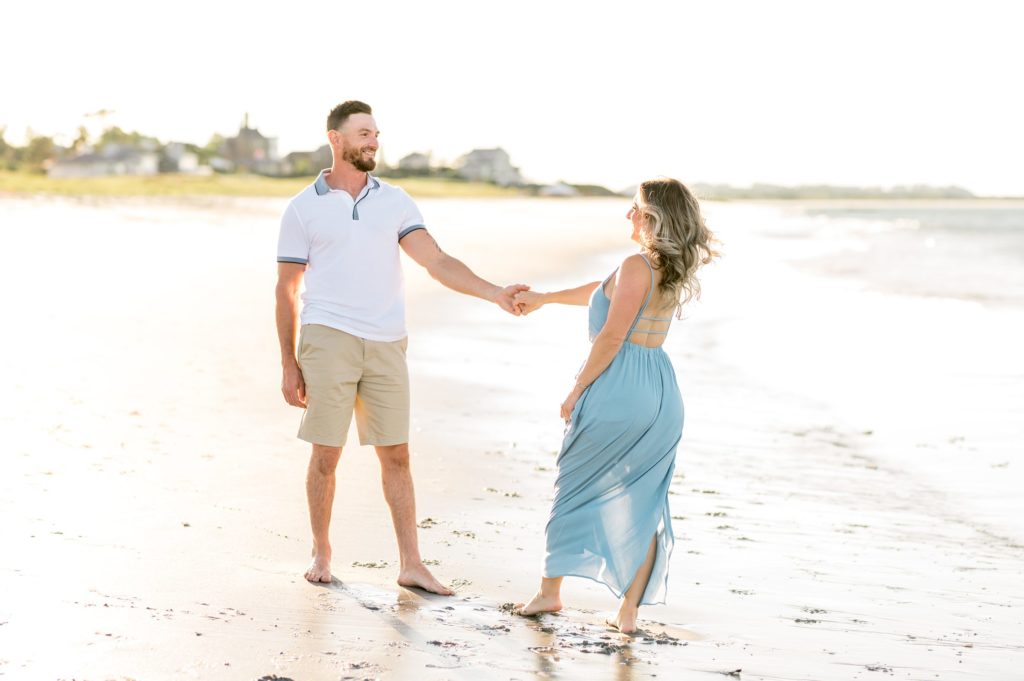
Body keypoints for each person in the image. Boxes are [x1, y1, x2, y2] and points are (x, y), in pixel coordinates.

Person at [275, 101, 528, 593]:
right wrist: (288, 362)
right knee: (327, 453)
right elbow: (286, 289)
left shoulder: (394, 200)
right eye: (364, 133)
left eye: (376, 134)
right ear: (336, 139)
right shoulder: (302, 207)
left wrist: (493, 292)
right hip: (328, 336)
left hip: (387, 342)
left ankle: (412, 563)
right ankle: (321, 550)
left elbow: (435, 261)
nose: (373, 141)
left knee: (398, 455)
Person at [511, 178, 718, 632]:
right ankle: (628, 614)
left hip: (618, 385)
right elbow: (601, 289)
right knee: (645, 501)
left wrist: (576, 389)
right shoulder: (667, 266)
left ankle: (549, 594)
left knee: (574, 484)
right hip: (661, 392)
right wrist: (545, 298)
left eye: (635, 209)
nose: (629, 215)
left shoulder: (636, 264)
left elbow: (611, 336)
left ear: (653, 218)